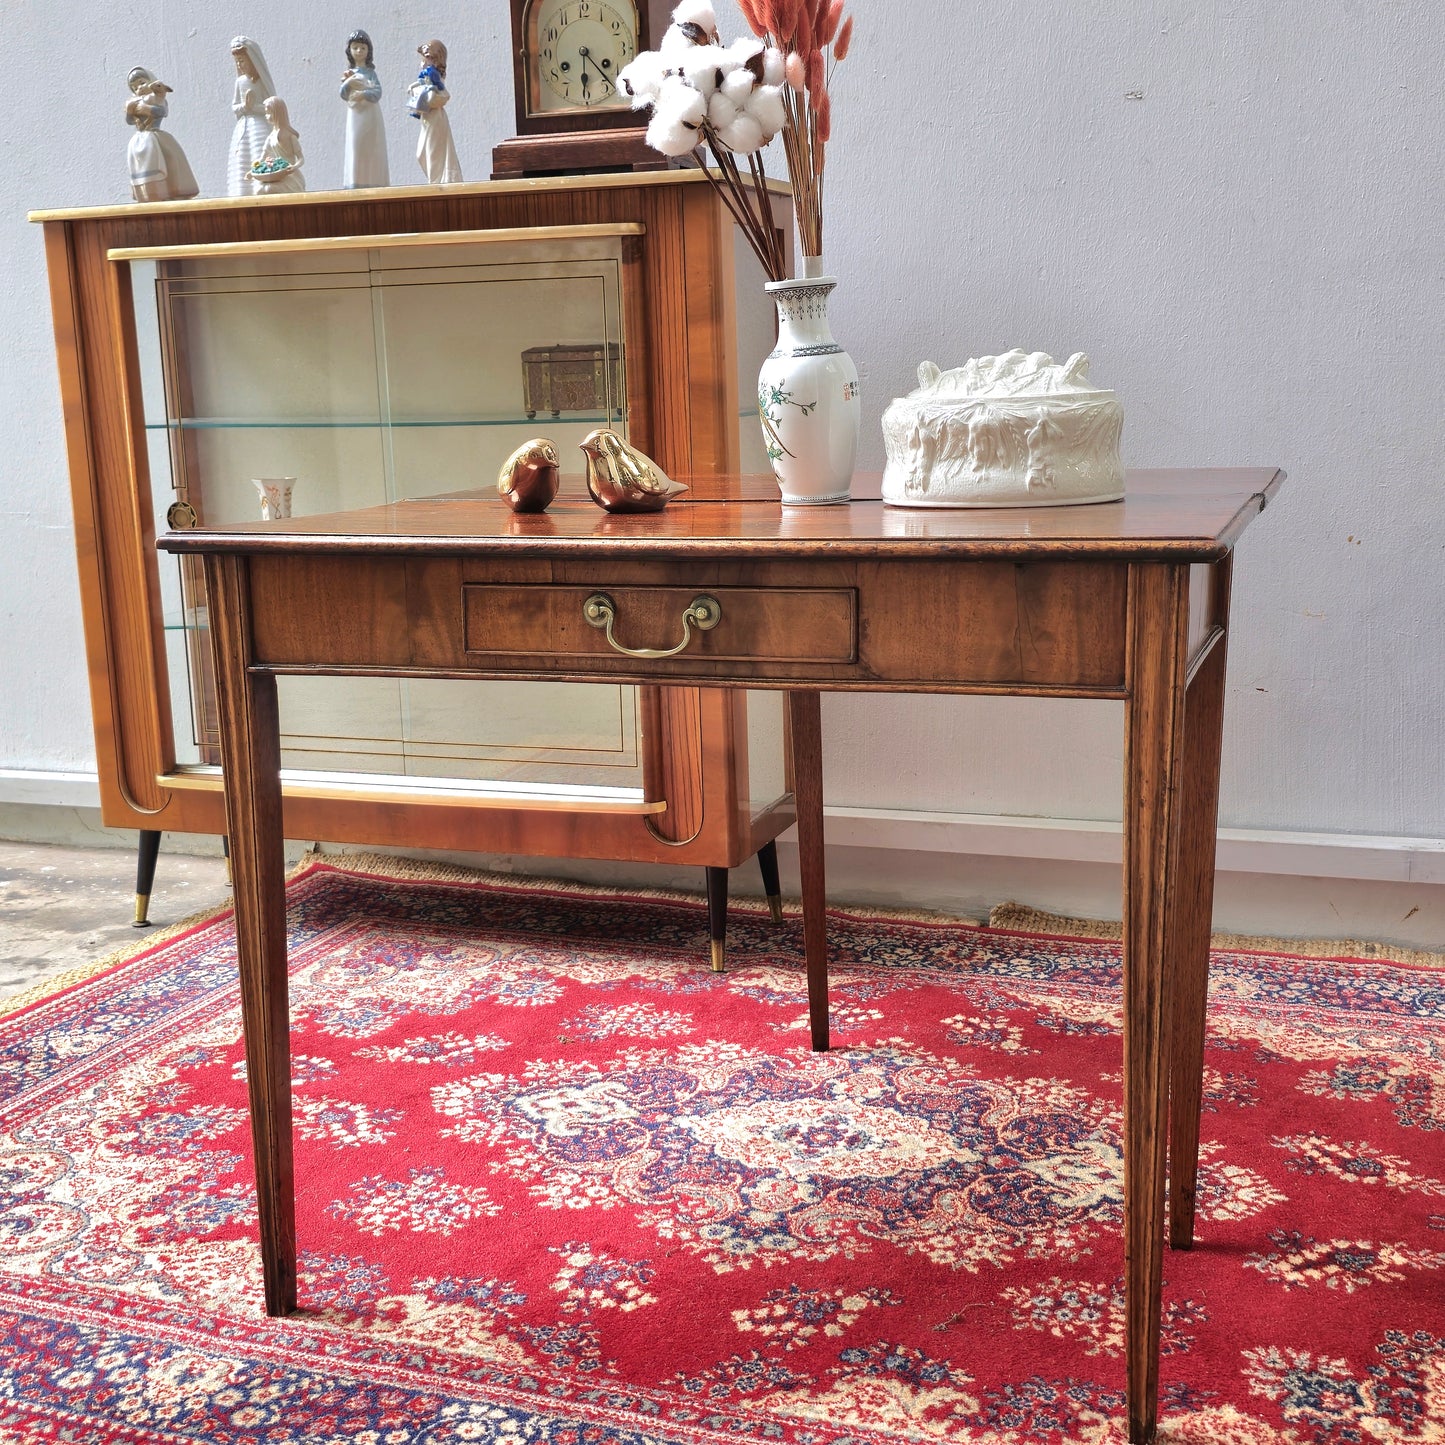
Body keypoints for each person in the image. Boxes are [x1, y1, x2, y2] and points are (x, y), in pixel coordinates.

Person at [125, 68, 198, 202]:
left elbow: (162, 112)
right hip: (140, 141)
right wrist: (130, 111)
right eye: (135, 88)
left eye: (141, 83)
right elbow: (130, 121)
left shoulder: (157, 98)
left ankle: (169, 191)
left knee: (168, 161)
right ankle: (148, 194)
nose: (139, 89)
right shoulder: (134, 103)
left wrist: (148, 109)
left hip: (155, 137)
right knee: (142, 166)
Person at [406, 40, 461, 184]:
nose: (424, 62)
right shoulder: (425, 72)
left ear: (436, 59)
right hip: (427, 117)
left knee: (432, 152)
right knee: (421, 153)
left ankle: (436, 182)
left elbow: (441, 93)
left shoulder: (435, 75)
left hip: (435, 118)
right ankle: (435, 181)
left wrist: (429, 89)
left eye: (427, 58)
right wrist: (413, 86)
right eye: (424, 58)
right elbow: (421, 83)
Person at [340, 29, 388, 188]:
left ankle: (375, 180)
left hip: (370, 115)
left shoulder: (371, 73)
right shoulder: (348, 74)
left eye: (362, 48)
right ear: (350, 50)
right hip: (355, 116)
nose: (359, 51)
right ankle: (355, 182)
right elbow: (343, 94)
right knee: (356, 145)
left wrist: (363, 94)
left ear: (368, 51)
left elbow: (377, 92)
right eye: (355, 48)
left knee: (372, 146)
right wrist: (348, 83)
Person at [228, 36, 276, 196]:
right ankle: (243, 192)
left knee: (261, 153)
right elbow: (235, 106)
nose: (239, 65)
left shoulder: (261, 83)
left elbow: (270, 106)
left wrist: (254, 107)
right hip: (244, 127)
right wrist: (244, 107)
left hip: (260, 126)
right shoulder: (240, 82)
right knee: (243, 158)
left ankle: (263, 189)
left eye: (242, 61)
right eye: (237, 62)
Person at [254, 96, 305, 192]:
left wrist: (294, 167)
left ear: (277, 114)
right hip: (274, 175)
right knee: (259, 189)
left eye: (269, 113)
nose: (266, 116)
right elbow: (262, 158)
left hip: (290, 175)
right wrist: (254, 169)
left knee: (272, 189)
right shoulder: (271, 137)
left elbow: (301, 159)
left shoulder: (290, 136)